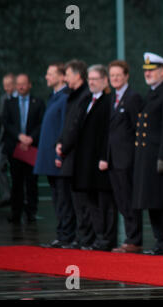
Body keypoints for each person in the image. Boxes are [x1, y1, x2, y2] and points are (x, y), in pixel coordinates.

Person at [64, 64, 117, 251]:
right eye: (90, 79)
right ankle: (95, 237)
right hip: (85, 162)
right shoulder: (87, 99)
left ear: (104, 80)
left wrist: (105, 157)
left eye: (95, 79)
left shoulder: (109, 101)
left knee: (105, 204)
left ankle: (106, 239)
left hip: (101, 162)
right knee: (91, 203)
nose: (92, 82)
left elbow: (108, 134)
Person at [133, 52, 163, 256]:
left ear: (162, 71)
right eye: (146, 71)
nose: (148, 74)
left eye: (152, 70)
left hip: (160, 159)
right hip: (147, 159)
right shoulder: (153, 93)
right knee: (152, 202)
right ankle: (160, 242)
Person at [34, 63, 76, 247]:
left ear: (61, 77)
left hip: (58, 157)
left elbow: (63, 128)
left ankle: (66, 234)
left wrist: (61, 154)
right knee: (58, 198)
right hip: (49, 157)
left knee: (64, 198)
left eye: (50, 74)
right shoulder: (54, 97)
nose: (46, 77)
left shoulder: (65, 97)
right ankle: (62, 233)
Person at [106, 60, 144, 254]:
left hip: (127, 159)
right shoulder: (112, 97)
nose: (115, 79)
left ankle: (134, 239)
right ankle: (130, 237)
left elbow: (138, 129)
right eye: (112, 76)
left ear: (126, 76)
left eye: (118, 75)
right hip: (113, 159)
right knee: (121, 200)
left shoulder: (133, 97)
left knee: (129, 200)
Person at [56, 59, 93, 249]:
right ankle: (76, 236)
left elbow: (75, 125)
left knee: (81, 201)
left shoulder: (84, 95)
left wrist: (64, 145)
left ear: (78, 75)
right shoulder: (73, 95)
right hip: (69, 154)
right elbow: (67, 125)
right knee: (71, 199)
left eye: (68, 74)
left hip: (76, 156)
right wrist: (61, 143)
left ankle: (83, 237)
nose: (65, 78)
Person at [2, 74, 45, 224]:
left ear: (29, 85)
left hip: (32, 148)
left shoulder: (38, 103)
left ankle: (31, 212)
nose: (21, 87)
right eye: (18, 84)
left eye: (23, 84)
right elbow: (6, 124)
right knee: (16, 182)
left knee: (31, 182)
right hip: (15, 149)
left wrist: (30, 138)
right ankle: (16, 213)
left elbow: (41, 123)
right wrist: (19, 137)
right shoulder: (9, 103)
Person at [0, 73, 17, 206]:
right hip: (3, 140)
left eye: (9, 85)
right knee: (0, 167)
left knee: (19, 171)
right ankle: (7, 195)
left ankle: (22, 198)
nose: (6, 88)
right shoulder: (3, 99)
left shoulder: (22, 99)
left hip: (18, 141)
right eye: (4, 86)